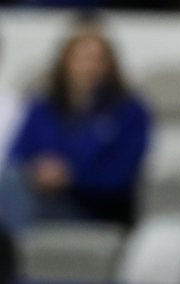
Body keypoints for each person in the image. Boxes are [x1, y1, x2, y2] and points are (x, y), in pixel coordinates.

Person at [2, 22, 150, 228]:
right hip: (38, 198)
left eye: (97, 60)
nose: (89, 67)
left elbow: (122, 176)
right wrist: (36, 171)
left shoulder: (130, 112)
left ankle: (15, 251)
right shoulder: (42, 106)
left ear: (110, 65)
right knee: (9, 181)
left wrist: (72, 176)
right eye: (81, 58)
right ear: (65, 62)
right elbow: (16, 157)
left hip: (92, 209)